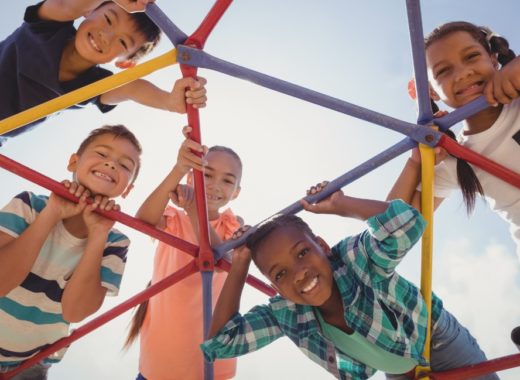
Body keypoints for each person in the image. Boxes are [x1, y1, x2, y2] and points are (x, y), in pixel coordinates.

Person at [201, 182, 498, 379]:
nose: (299, 272)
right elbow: (221, 343)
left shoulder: (353, 261)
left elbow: (407, 224)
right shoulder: (286, 313)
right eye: (280, 274)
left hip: (438, 341)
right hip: (400, 372)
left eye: (303, 252)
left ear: (323, 246)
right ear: (275, 286)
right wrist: (239, 264)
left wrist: (343, 204)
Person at [0, 124, 142, 379]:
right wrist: (52, 213)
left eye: (125, 165)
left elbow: (75, 312)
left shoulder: (115, 241)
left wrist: (98, 233)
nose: (111, 165)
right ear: (73, 162)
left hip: (28, 364)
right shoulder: (30, 204)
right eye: (102, 154)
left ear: (128, 189)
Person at [387, 21, 520, 259]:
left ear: (493, 59)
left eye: (471, 57)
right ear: (433, 92)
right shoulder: (455, 159)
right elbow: (393, 230)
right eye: (443, 71)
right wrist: (416, 163)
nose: (463, 73)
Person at [125, 126, 243, 380]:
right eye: (206, 175)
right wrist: (179, 168)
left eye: (227, 180)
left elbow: (222, 258)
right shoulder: (175, 218)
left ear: (236, 193)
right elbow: (143, 219)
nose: (214, 185)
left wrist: (193, 209)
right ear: (191, 178)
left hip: (211, 366)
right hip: (161, 361)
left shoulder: (232, 224)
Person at [0, 0, 207, 144]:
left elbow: (132, 88)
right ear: (89, 10)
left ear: (125, 63)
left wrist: (169, 101)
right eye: (108, 19)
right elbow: (66, 5)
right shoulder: (47, 26)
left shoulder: (94, 85)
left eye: (123, 42)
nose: (106, 36)